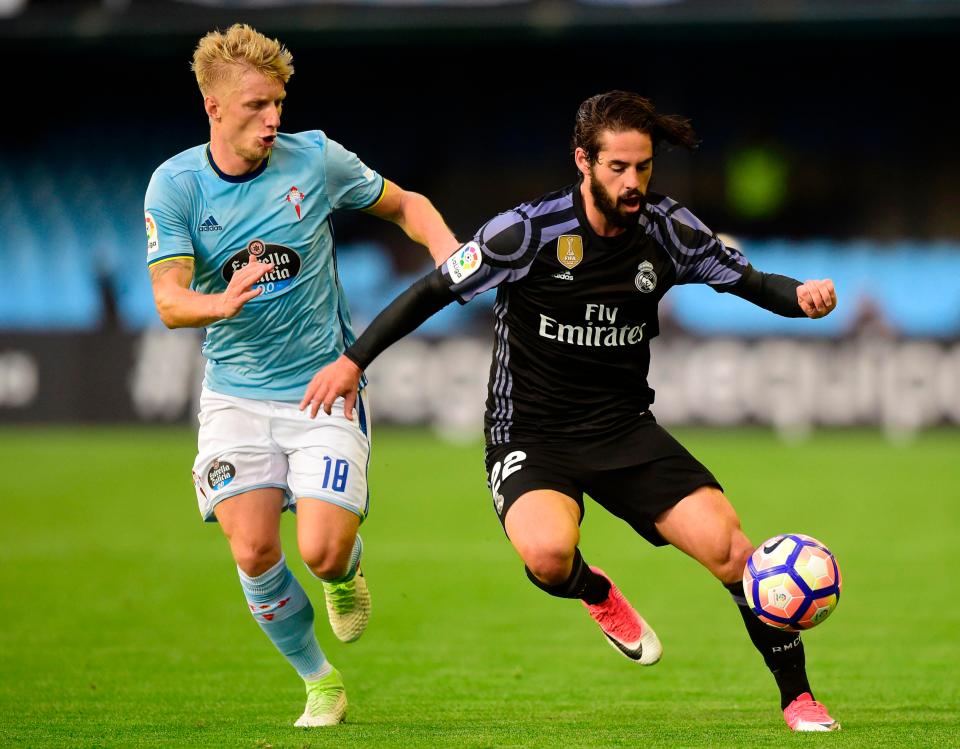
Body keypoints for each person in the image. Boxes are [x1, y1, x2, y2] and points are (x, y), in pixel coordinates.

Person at [302, 91, 841, 732]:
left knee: (735, 554)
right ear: (583, 161)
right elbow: (431, 290)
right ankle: (597, 592)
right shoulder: (525, 232)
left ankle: (798, 698)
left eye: (643, 167)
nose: (634, 181)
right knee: (549, 556)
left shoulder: (669, 228)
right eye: (618, 167)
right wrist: (355, 360)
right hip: (528, 430)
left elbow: (747, 280)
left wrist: (800, 294)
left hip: (623, 428)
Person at [144, 24, 458, 728]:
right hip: (234, 394)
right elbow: (168, 299)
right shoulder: (175, 185)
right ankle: (320, 681)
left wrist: (449, 253)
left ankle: (344, 570)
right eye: (256, 105)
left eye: (279, 101)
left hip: (323, 386)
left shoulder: (314, 160)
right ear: (214, 109)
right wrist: (218, 302)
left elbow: (407, 204)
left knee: (320, 550)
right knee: (254, 549)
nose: (273, 118)